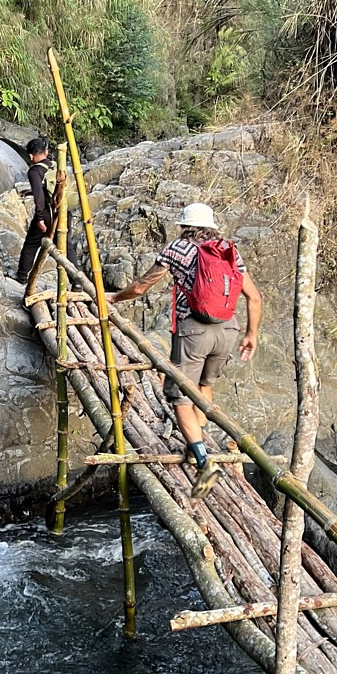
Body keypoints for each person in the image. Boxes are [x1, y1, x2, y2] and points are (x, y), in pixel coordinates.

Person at [106, 202, 262, 498]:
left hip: (193, 331)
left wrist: (114, 297)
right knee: (205, 384)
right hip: (228, 330)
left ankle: (204, 461)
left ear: (184, 226)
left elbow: (141, 287)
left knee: (179, 394)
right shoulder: (229, 250)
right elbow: (254, 297)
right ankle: (201, 436)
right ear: (212, 226)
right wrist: (251, 334)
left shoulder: (177, 248)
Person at [16, 136, 54, 284]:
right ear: (46, 152)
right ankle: (77, 282)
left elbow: (39, 197)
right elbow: (48, 189)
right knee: (67, 247)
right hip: (62, 212)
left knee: (31, 244)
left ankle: (22, 276)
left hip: (46, 213)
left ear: (31, 156)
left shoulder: (35, 171)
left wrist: (39, 218)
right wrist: (29, 192)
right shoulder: (54, 166)